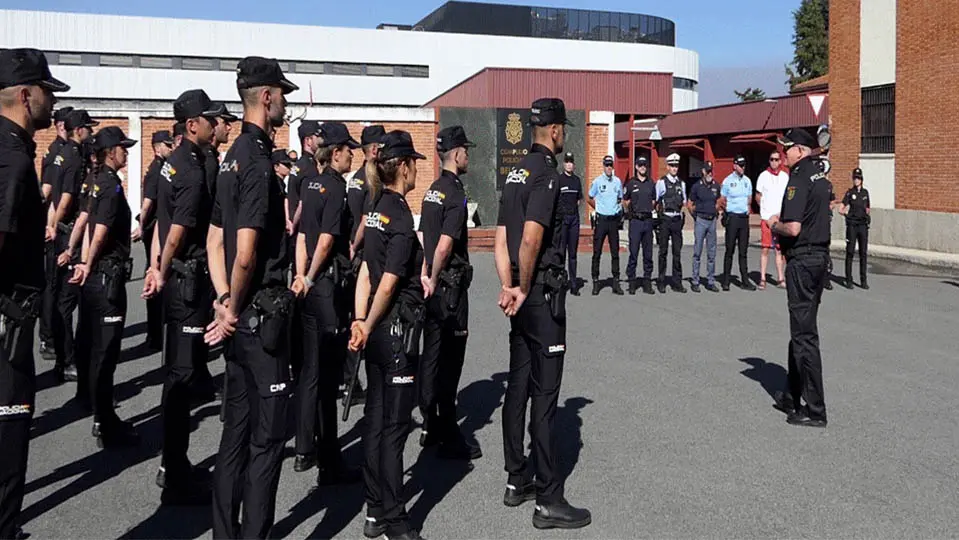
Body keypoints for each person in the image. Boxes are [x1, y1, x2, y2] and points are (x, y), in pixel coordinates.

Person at [205, 56, 298, 539]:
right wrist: (235, 308)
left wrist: (223, 302)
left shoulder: (230, 155)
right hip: (260, 323)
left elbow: (213, 240)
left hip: (239, 318)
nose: (285, 101)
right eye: (282, 93)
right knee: (266, 442)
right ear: (266, 97)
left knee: (233, 436)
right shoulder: (259, 161)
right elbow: (244, 253)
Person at [494, 98, 591, 530]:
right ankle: (549, 499)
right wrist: (526, 286)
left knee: (518, 384)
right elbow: (531, 239)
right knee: (546, 396)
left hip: (517, 293)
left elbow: (501, 239)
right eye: (563, 128)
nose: (563, 134)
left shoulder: (514, 173)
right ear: (554, 131)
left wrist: (508, 285)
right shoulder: (547, 174)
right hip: (539, 294)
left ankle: (518, 478)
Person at [0, 47, 68, 540]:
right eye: (47, 92)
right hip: (7, 323)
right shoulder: (13, 159)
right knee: (8, 436)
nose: (52, 101)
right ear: (26, 95)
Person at [142, 89, 223, 504]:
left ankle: (172, 464)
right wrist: (160, 265)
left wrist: (157, 265)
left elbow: (160, 221)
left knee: (178, 373)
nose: (215, 123)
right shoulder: (191, 169)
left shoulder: (171, 164)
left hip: (176, 278)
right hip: (187, 281)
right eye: (210, 118)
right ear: (192, 125)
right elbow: (176, 230)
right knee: (181, 375)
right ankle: (175, 473)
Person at [348, 130, 427, 540]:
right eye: (413, 162)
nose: (417, 168)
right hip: (394, 329)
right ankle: (395, 519)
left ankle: (375, 507)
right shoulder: (396, 213)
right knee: (394, 427)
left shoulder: (376, 207)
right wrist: (371, 318)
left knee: (375, 422)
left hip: (376, 329)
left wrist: (361, 321)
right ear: (402, 167)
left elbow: (364, 270)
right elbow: (389, 279)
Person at [289, 122, 363, 485]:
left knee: (308, 371)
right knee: (328, 375)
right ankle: (330, 460)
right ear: (334, 154)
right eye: (348, 149)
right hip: (327, 287)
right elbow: (326, 240)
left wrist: (300, 276)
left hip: (307, 286)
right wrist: (314, 275)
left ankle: (306, 447)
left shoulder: (309, 183)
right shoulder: (335, 187)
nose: (352, 154)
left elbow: (303, 235)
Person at [69, 126, 140, 447]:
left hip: (95, 274)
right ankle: (104, 420)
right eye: (122, 148)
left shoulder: (95, 181)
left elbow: (85, 224)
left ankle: (97, 410)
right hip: (107, 276)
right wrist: (87, 261)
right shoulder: (109, 185)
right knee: (106, 352)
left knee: (94, 346)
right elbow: (98, 230)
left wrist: (80, 259)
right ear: (110, 152)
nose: (126, 152)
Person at [417, 125, 481, 460]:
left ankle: (429, 423)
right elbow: (443, 245)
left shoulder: (432, 190)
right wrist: (436, 272)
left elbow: (423, 237)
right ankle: (449, 433)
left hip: (432, 286)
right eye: (466, 151)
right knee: (450, 362)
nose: (468, 156)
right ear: (456, 154)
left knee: (432, 355)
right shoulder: (454, 192)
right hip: (450, 288)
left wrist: (425, 275)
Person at [768, 128, 831, 428]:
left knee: (805, 337)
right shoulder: (820, 177)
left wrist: (773, 224)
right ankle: (792, 396)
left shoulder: (798, 179)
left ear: (802, 150)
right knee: (800, 331)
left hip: (803, 260)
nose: (784, 152)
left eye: (789, 147)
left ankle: (815, 409)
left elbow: (792, 227)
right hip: (818, 259)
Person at [46, 109, 98, 383]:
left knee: (58, 299)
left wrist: (49, 224)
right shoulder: (75, 159)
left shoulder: (60, 153)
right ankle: (67, 360)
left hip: (61, 233)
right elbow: (66, 198)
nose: (90, 132)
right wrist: (56, 227)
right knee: (68, 302)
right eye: (88, 128)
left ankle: (61, 356)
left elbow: (49, 193)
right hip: (70, 237)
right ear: (79, 130)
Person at [342, 125, 385, 403]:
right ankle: (352, 381)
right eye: (380, 147)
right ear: (371, 150)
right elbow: (362, 223)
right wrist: (355, 248)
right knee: (362, 318)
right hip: (363, 256)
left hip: (365, 253)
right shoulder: (364, 181)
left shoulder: (366, 179)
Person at [37, 105, 73, 360]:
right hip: (56, 227)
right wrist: (47, 224)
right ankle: (48, 337)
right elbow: (48, 193)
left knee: (55, 287)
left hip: (56, 225)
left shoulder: (59, 151)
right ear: (61, 126)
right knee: (52, 287)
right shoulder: (57, 153)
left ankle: (53, 336)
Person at [137, 130, 174, 351]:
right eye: (167, 146)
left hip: (155, 229)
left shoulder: (162, 168)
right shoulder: (156, 170)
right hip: (153, 231)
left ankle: (157, 332)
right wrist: (141, 226)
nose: (170, 150)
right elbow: (148, 203)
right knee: (155, 276)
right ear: (157, 147)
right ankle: (155, 335)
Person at [587, 155, 624, 296]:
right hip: (601, 220)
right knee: (597, 252)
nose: (609, 168)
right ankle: (596, 282)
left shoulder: (617, 182)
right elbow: (590, 197)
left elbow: (620, 198)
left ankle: (616, 282)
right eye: (607, 165)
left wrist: (617, 209)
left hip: (613, 221)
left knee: (615, 252)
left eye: (611, 165)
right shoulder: (597, 181)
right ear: (603, 166)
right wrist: (598, 208)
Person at [720, 155, 756, 291]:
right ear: (734, 165)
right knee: (729, 250)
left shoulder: (747, 181)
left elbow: (749, 198)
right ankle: (726, 280)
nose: (743, 168)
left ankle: (745, 280)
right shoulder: (727, 181)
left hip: (743, 218)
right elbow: (722, 199)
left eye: (744, 165)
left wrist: (747, 210)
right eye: (740, 165)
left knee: (743, 251)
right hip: (732, 217)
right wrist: (726, 212)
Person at [623, 156, 657, 295]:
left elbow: (654, 201)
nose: (643, 167)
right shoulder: (631, 183)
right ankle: (632, 281)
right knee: (634, 252)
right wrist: (631, 211)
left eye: (645, 165)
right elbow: (625, 201)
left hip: (648, 221)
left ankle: (647, 281)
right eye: (640, 165)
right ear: (636, 167)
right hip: (635, 221)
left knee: (648, 254)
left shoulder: (651, 183)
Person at [756, 150, 789, 289]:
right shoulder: (763, 176)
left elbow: (787, 196)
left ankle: (780, 278)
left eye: (776, 159)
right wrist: (764, 210)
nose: (774, 162)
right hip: (766, 218)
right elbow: (758, 196)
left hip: (780, 218)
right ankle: (762, 278)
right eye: (771, 159)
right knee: (765, 248)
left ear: (780, 161)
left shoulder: (785, 176)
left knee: (779, 250)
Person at [655, 153, 687, 293]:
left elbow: (684, 202)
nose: (674, 168)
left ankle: (677, 282)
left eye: (676, 166)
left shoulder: (682, 184)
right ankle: (661, 281)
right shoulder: (661, 183)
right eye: (672, 166)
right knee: (663, 251)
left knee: (677, 252)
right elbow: (656, 201)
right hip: (665, 219)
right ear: (667, 167)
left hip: (676, 220)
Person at [687, 162, 721, 292]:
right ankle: (695, 280)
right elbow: (689, 204)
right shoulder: (697, 187)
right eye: (707, 171)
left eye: (711, 171)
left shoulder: (716, 186)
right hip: (700, 220)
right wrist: (695, 217)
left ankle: (710, 280)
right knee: (697, 252)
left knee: (712, 253)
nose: (710, 174)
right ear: (703, 171)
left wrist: (716, 210)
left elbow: (719, 200)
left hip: (712, 221)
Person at [555, 152, 583, 294]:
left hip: (574, 220)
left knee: (573, 254)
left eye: (571, 162)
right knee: (561, 253)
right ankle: (559, 283)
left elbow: (579, 199)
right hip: (563, 220)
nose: (569, 164)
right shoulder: (559, 180)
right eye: (567, 162)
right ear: (563, 164)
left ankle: (573, 284)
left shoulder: (577, 180)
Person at [840, 168, 870, 290]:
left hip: (863, 225)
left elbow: (868, 208)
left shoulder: (865, 193)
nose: (856, 180)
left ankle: (863, 280)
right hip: (852, 225)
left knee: (863, 253)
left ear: (861, 179)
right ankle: (849, 279)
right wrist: (847, 214)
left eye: (858, 178)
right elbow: (840, 209)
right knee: (850, 252)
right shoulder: (849, 193)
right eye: (855, 178)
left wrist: (867, 215)